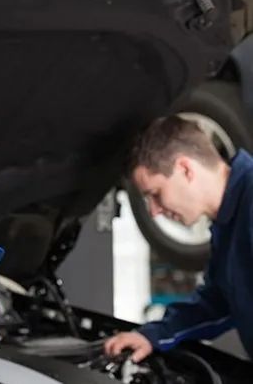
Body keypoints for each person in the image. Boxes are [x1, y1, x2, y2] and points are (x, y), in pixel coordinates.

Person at [104, 115, 253, 363]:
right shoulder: (230, 221)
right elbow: (218, 303)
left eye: (155, 194)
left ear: (185, 169)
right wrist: (154, 335)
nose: (154, 211)